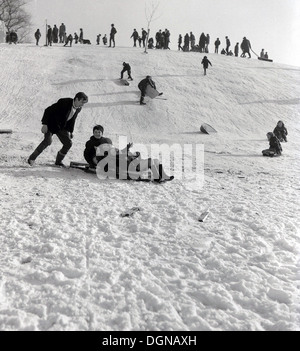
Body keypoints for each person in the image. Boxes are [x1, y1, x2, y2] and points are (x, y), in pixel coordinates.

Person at [84, 126, 174, 182]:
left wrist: (126, 148)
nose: (97, 134)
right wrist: (92, 163)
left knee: (155, 160)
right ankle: (158, 177)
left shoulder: (105, 141)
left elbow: (117, 151)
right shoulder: (90, 143)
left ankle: (162, 175)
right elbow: (86, 154)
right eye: (95, 132)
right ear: (93, 133)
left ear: (102, 133)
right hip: (113, 162)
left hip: (120, 160)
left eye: (99, 132)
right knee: (150, 161)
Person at [28, 92, 88, 167]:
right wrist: (45, 124)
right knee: (47, 141)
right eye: (82, 102)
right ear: (76, 99)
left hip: (61, 127)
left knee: (68, 143)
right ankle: (31, 159)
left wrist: (70, 131)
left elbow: (72, 119)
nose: (82, 105)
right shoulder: (64, 102)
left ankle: (58, 162)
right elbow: (48, 110)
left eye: (84, 103)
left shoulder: (79, 108)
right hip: (51, 124)